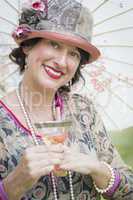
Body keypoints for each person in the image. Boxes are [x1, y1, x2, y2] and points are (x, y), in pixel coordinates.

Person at [0, 0, 133, 199]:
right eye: (54, 44)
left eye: (73, 54)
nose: (62, 62)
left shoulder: (83, 110)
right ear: (28, 45)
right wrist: (11, 185)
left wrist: (97, 168)